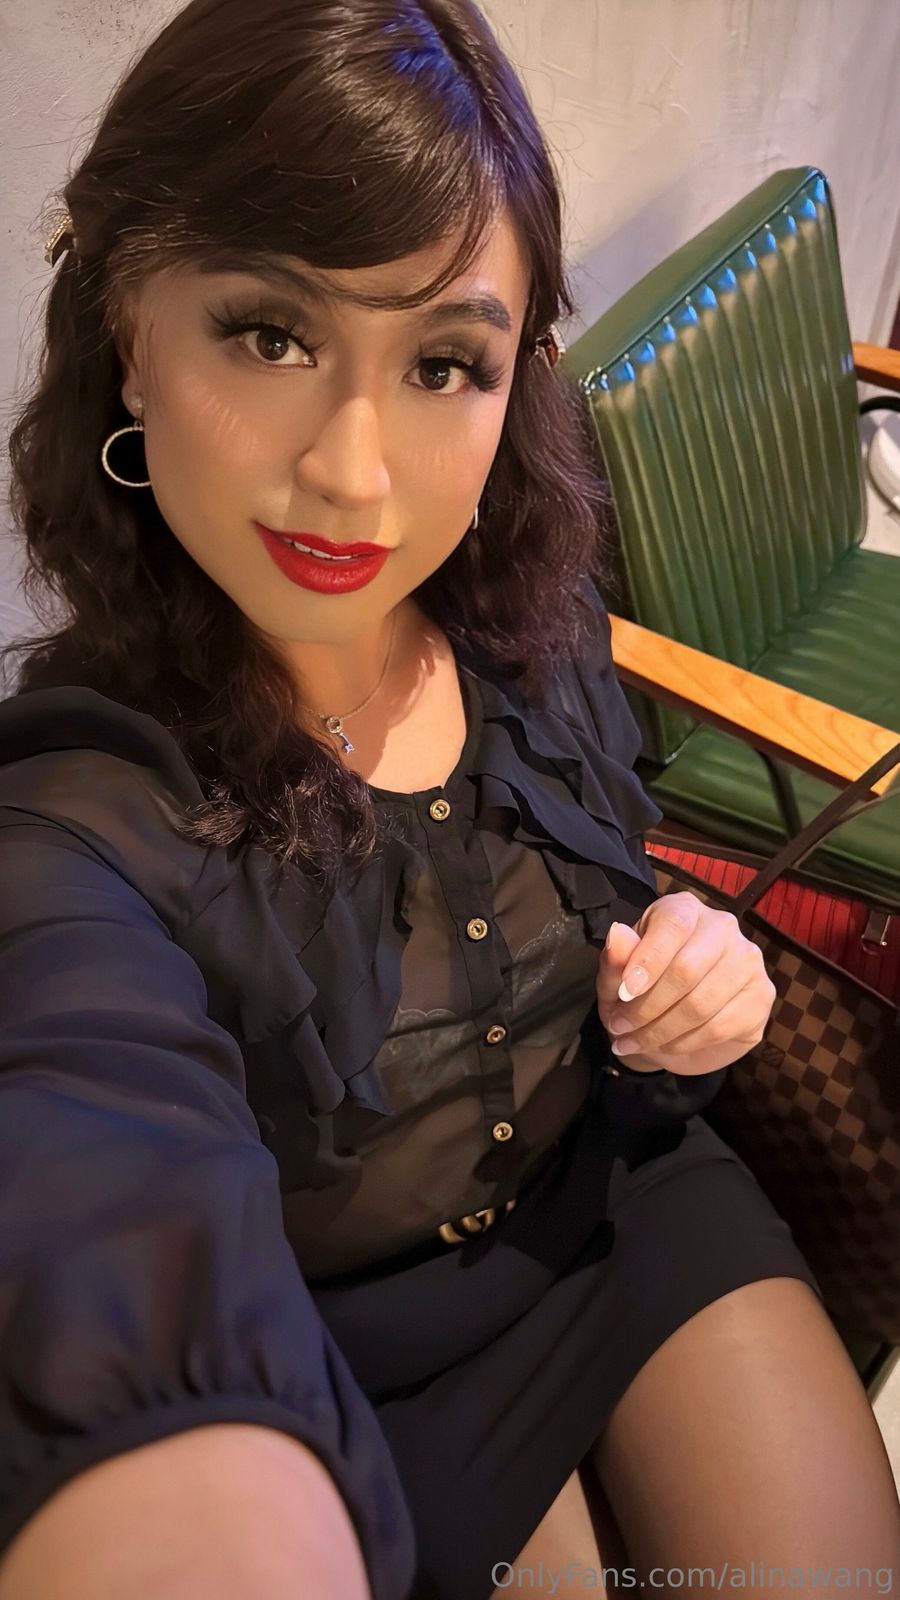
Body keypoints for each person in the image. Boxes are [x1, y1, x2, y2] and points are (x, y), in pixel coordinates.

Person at [0, 1, 898, 1597]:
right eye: (270, 335)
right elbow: (94, 1171)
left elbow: (615, 896)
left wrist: (686, 983)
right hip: (360, 1360)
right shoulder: (82, 817)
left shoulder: (531, 629)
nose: (355, 473)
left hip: (624, 1212)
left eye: (441, 364)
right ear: (129, 325)